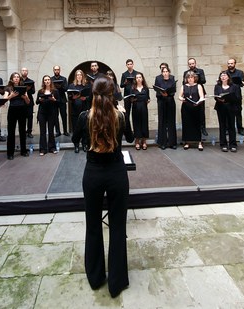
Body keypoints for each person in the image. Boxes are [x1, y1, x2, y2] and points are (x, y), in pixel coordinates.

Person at [71, 75, 134, 298]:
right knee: (118, 227)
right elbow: (131, 138)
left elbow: (75, 140)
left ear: (92, 92)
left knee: (93, 225)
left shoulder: (83, 117)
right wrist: (123, 111)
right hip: (117, 173)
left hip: (93, 174)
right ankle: (116, 282)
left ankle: (96, 277)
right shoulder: (120, 116)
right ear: (112, 93)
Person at [3, 72, 30, 160]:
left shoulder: (23, 88)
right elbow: (4, 99)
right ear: (12, 79)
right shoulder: (8, 87)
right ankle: (10, 153)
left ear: (20, 79)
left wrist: (24, 97)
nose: (16, 78)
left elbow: (28, 102)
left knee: (22, 131)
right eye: (14, 77)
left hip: (22, 109)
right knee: (11, 132)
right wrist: (12, 95)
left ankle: (23, 151)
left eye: (18, 77)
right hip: (12, 110)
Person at [213, 71, 241, 152]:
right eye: (221, 76)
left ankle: (233, 144)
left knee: (231, 126)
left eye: (225, 75)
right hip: (221, 107)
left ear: (228, 77)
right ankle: (223, 144)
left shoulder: (234, 86)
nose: (223, 77)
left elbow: (238, 97)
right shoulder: (217, 86)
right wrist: (219, 99)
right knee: (222, 126)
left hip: (231, 107)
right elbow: (216, 96)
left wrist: (230, 98)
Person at [178, 71, 205, 151]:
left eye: (191, 77)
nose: (190, 79)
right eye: (188, 78)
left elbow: (201, 96)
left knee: (197, 124)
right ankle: (187, 142)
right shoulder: (183, 86)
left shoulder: (199, 86)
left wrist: (198, 102)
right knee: (187, 124)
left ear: (194, 78)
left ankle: (199, 142)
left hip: (196, 107)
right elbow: (179, 96)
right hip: (186, 107)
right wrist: (182, 99)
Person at [182, 58, 208, 136]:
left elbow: (204, 81)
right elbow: (184, 82)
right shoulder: (186, 72)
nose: (191, 65)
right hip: (190, 91)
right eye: (190, 64)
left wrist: (196, 78)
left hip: (199, 91)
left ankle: (203, 128)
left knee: (201, 111)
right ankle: (192, 128)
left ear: (195, 63)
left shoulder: (200, 71)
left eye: (192, 63)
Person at [154, 66, 177, 150]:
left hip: (170, 101)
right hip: (161, 101)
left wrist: (168, 94)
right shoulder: (158, 79)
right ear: (162, 73)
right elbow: (156, 91)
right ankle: (162, 143)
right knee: (162, 122)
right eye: (163, 72)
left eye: (167, 71)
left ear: (169, 72)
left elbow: (174, 90)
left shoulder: (172, 78)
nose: (165, 73)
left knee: (171, 122)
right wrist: (162, 94)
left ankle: (172, 143)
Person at [36, 75, 59, 156]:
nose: (47, 81)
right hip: (42, 113)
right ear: (43, 82)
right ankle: (42, 149)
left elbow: (58, 102)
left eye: (48, 79)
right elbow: (37, 102)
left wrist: (54, 99)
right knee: (42, 131)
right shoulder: (40, 91)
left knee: (51, 131)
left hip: (51, 113)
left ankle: (52, 148)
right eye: (45, 80)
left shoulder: (55, 91)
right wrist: (40, 100)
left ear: (50, 81)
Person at [68, 69, 90, 153]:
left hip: (84, 109)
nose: (79, 76)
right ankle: (76, 145)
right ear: (75, 76)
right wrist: (72, 98)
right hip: (75, 110)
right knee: (76, 129)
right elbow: (69, 97)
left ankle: (84, 144)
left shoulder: (86, 85)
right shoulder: (71, 86)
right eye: (77, 75)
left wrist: (85, 98)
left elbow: (90, 96)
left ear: (82, 76)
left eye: (80, 75)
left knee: (85, 128)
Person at [131, 72, 150, 150]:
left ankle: (144, 141)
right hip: (135, 108)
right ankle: (137, 141)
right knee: (136, 124)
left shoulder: (146, 88)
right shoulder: (133, 88)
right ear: (135, 79)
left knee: (144, 123)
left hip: (144, 108)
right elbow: (131, 99)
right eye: (137, 77)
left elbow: (148, 99)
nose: (138, 79)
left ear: (142, 79)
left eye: (140, 77)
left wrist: (145, 100)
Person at [226, 58, 244, 136]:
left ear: (235, 64)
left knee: (238, 113)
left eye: (231, 63)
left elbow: (242, 83)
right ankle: (228, 129)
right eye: (228, 63)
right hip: (227, 94)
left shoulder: (240, 72)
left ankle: (240, 129)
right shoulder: (224, 73)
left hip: (237, 95)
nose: (230, 65)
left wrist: (242, 83)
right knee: (227, 113)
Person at [51, 65, 69, 137]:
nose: (56, 71)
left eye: (58, 69)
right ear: (53, 70)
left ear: (60, 70)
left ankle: (65, 131)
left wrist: (60, 86)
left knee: (64, 115)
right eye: (55, 70)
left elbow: (66, 89)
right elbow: (50, 89)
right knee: (55, 116)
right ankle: (57, 131)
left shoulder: (64, 79)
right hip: (54, 100)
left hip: (62, 99)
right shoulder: (51, 79)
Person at [21, 67, 36, 138]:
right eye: (23, 71)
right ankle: (23, 132)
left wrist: (28, 89)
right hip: (21, 101)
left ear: (27, 72)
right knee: (22, 117)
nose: (24, 72)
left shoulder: (31, 81)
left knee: (30, 116)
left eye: (26, 71)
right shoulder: (19, 80)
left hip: (30, 101)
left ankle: (29, 131)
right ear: (21, 72)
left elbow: (33, 91)